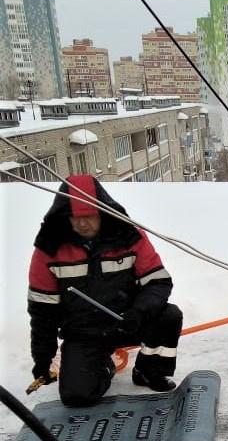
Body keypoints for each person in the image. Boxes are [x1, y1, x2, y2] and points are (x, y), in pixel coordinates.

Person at [27, 174, 183, 407]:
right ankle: (104, 364)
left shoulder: (129, 236)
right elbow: (42, 312)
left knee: (168, 316)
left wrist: (138, 312)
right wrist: (42, 359)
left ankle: (149, 371)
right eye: (74, 217)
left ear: (102, 211)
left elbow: (158, 282)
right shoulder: (49, 249)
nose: (81, 223)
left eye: (88, 216)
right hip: (84, 333)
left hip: (126, 321)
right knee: (76, 397)